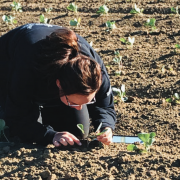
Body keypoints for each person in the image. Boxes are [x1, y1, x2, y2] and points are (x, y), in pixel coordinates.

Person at [0, 23, 116, 147]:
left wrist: (106, 126)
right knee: (17, 136)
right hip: (7, 69)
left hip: (49, 76)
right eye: (74, 103)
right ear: (59, 84)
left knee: (76, 132)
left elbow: (105, 105)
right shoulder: (28, 68)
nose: (79, 107)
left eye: (87, 101)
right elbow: (17, 116)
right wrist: (50, 135)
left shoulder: (95, 71)